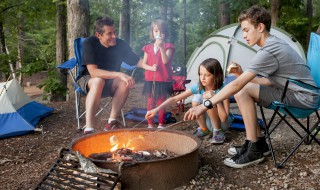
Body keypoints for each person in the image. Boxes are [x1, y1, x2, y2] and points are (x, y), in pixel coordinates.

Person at [183, 5, 319, 168]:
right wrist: (241, 74)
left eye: (246, 30)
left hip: (303, 99)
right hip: (295, 92)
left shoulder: (269, 50)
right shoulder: (274, 44)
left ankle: (254, 148)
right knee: (244, 89)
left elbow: (240, 85)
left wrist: (205, 105)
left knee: (242, 90)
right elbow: (267, 82)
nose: (244, 35)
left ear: (260, 27)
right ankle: (258, 142)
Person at [77, 16, 155, 135]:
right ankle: (89, 128)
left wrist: (155, 62)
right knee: (99, 81)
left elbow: (138, 62)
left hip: (110, 82)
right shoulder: (90, 43)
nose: (114, 36)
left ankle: (111, 123)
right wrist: (119, 74)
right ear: (99, 35)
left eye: (114, 32)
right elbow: (93, 72)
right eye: (109, 34)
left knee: (125, 82)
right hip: (89, 80)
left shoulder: (120, 44)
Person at [146, 58, 234, 144]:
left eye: (207, 75)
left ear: (216, 75)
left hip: (222, 124)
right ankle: (204, 130)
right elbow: (175, 99)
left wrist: (215, 98)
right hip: (209, 121)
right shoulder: (199, 87)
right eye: (200, 74)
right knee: (196, 99)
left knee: (207, 99)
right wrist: (156, 110)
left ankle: (218, 132)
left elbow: (224, 118)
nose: (202, 78)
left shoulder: (224, 89)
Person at [142, 19, 175, 129]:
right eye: (156, 31)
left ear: (165, 33)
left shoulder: (168, 46)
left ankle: (161, 123)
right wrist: (151, 68)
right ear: (152, 32)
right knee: (150, 101)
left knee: (161, 101)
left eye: (162, 32)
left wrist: (161, 47)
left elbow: (165, 61)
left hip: (163, 79)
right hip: (150, 79)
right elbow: (143, 64)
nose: (159, 34)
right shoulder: (147, 48)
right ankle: (150, 123)